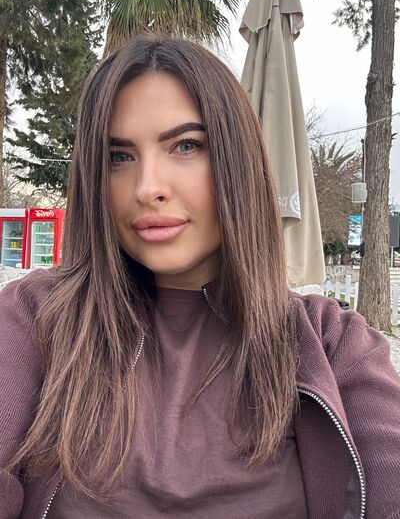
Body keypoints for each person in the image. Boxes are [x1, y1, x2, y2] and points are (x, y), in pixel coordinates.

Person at [0, 35, 399, 519]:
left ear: (237, 161)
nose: (147, 188)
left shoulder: (335, 344)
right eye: (119, 156)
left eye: (185, 146)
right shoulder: (33, 318)